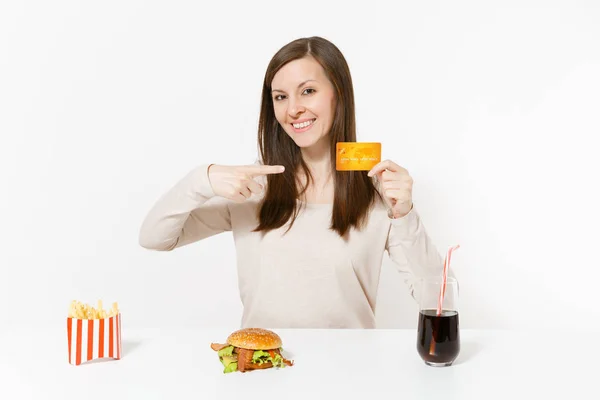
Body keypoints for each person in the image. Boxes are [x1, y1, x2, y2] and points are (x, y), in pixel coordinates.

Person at [139, 36, 449, 329]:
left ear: (338, 93)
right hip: (262, 372)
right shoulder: (252, 188)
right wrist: (201, 179)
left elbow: (439, 301)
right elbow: (155, 238)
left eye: (308, 91)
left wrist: (405, 214)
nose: (293, 109)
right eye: (280, 97)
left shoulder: (377, 194)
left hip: (352, 375)